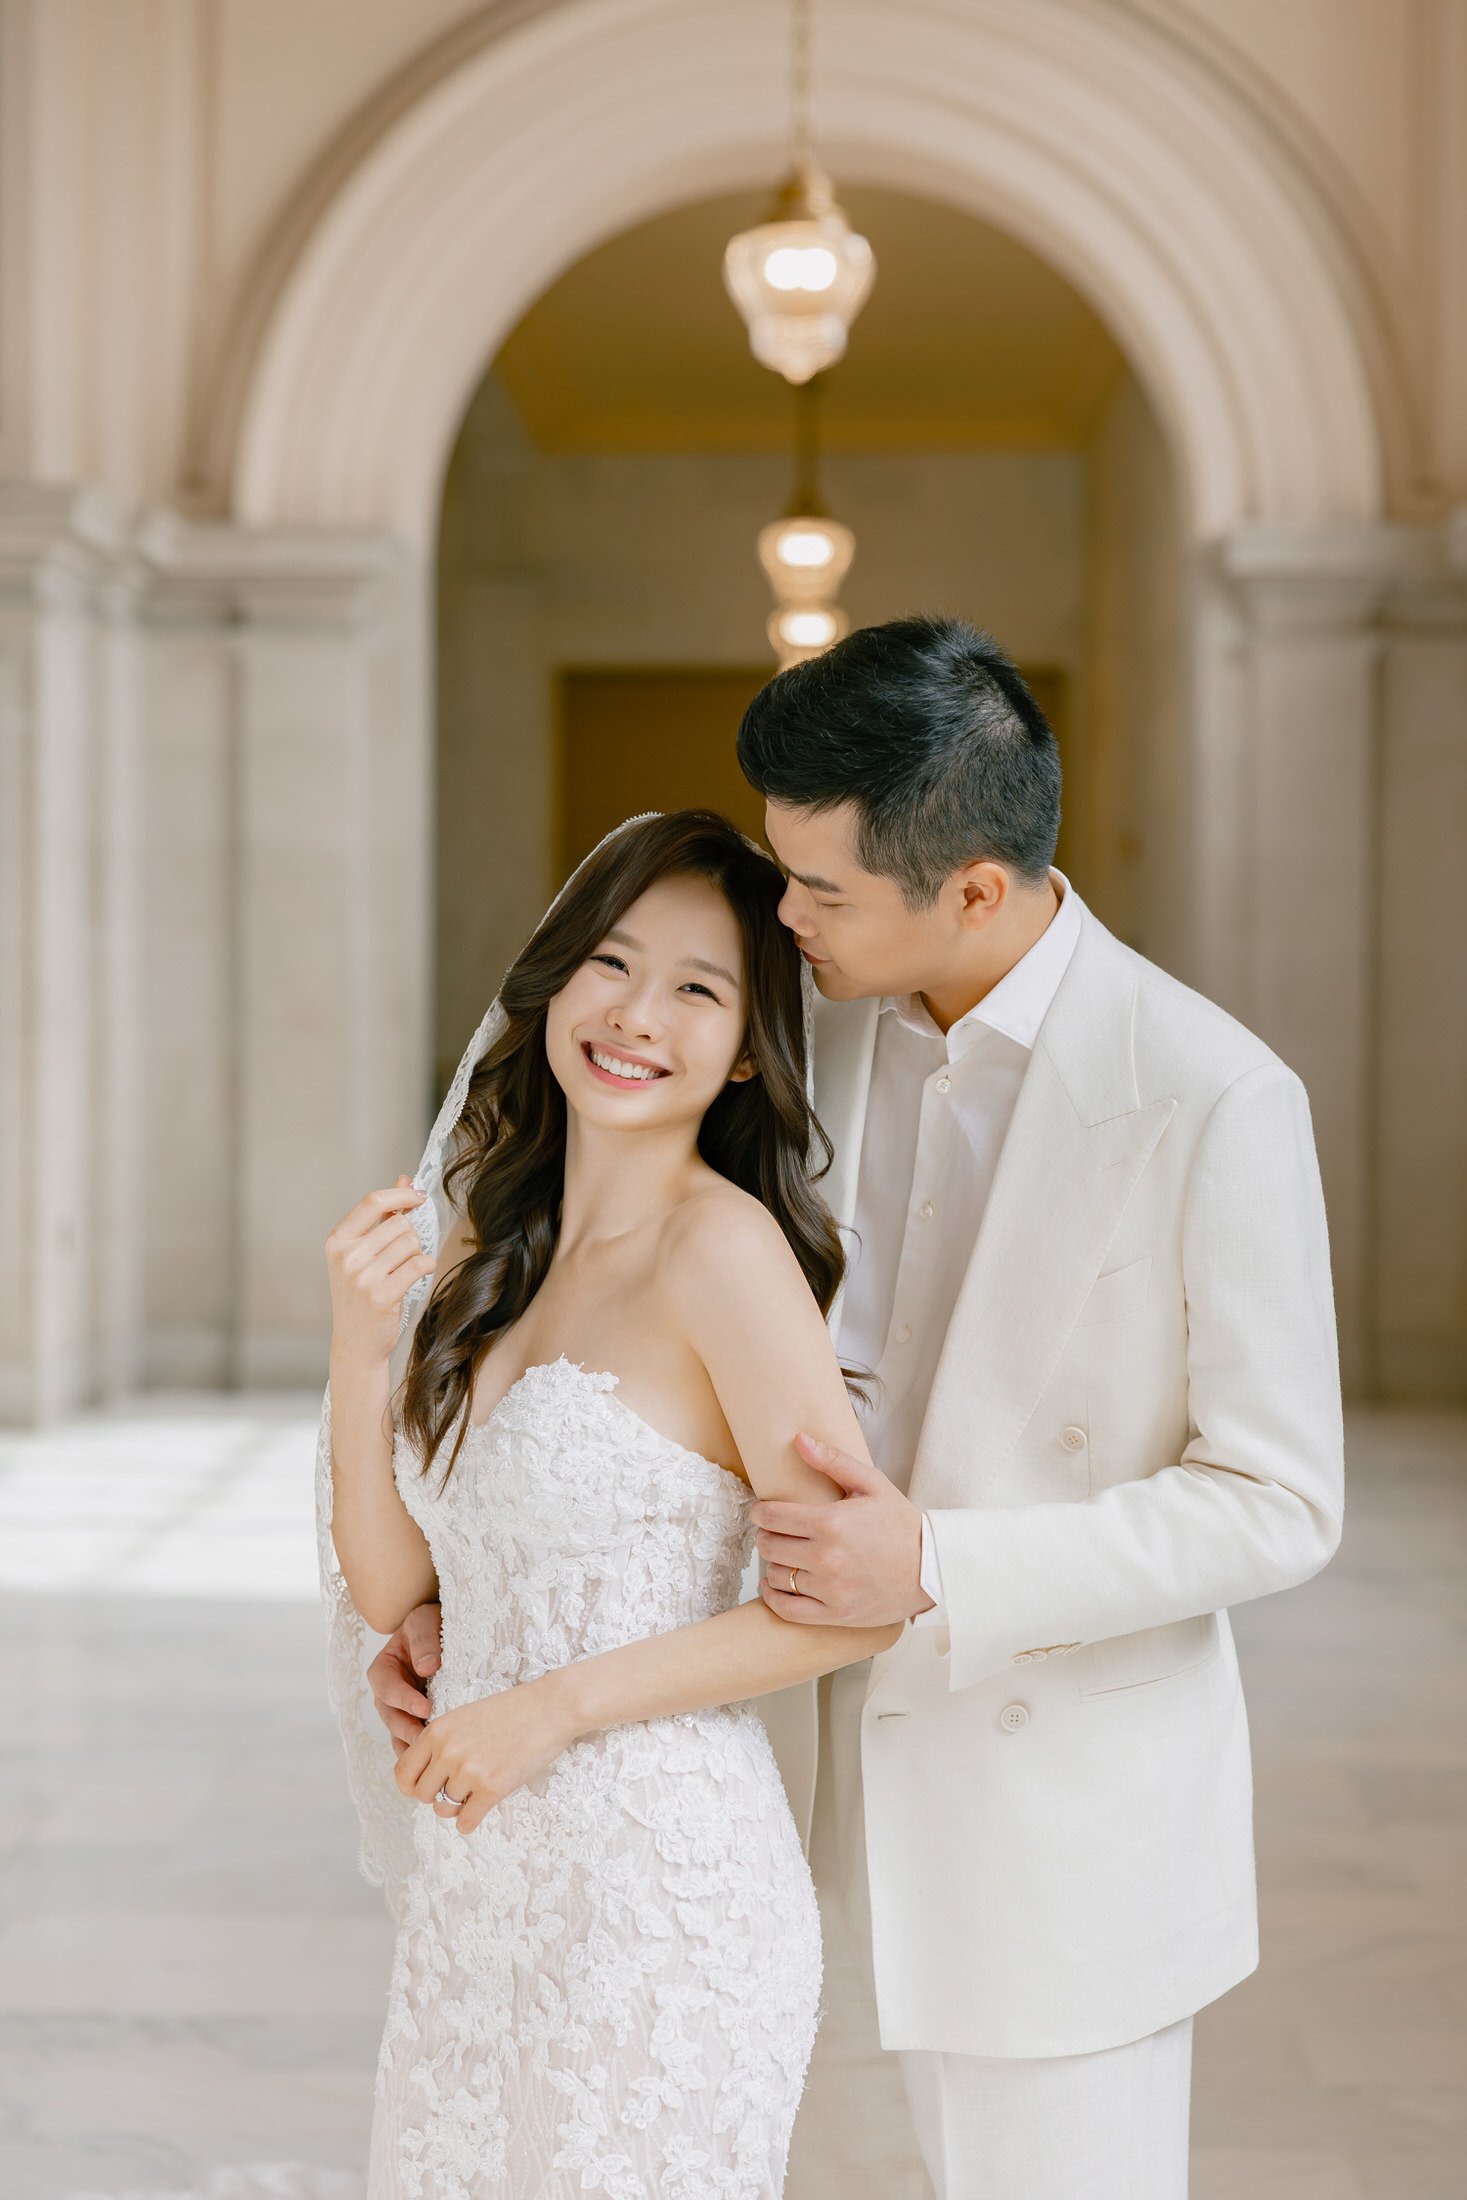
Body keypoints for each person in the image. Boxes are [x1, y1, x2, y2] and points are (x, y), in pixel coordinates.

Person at [373, 618, 1345, 2200]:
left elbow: (1281, 1497)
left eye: (818, 889)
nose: (782, 916)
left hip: (1048, 1820)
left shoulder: (1211, 1093)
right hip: (761, 1800)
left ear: (972, 886)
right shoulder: (800, 1020)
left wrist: (945, 1569)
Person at [324, 809, 902, 2197]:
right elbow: (398, 1589)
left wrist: (552, 1706)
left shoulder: (727, 1254)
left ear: (752, 1041)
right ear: (555, 981)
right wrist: (359, 1345)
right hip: (482, 1880)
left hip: (659, 1894)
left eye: (699, 989)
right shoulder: (486, 1245)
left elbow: (848, 1611)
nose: (638, 1017)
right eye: (612, 965)